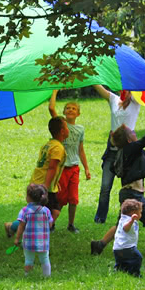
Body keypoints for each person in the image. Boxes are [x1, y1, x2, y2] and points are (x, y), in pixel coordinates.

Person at [91, 121, 145, 256]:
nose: (135, 133)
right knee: (138, 221)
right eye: (132, 132)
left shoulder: (125, 152)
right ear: (129, 139)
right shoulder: (129, 150)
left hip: (133, 193)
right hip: (132, 194)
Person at [93, 85, 141, 223]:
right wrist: (91, 76)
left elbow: (144, 88)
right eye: (123, 88)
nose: (124, 91)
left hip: (127, 152)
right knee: (105, 187)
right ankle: (100, 218)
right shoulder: (114, 99)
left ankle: (127, 217)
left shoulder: (135, 102)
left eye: (127, 88)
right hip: (112, 151)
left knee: (128, 189)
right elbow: (99, 88)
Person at [48, 90, 91, 233]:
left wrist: (86, 168)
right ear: (64, 112)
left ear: (78, 113)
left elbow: (81, 150)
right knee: (59, 198)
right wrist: (55, 91)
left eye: (74, 108)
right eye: (68, 108)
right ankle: (51, 223)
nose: (71, 110)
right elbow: (51, 108)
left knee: (73, 198)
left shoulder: (80, 129)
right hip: (62, 168)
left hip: (74, 168)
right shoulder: (61, 124)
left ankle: (71, 224)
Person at [29, 116, 69, 228]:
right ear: (62, 131)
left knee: (55, 209)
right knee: (39, 215)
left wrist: (55, 183)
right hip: (44, 185)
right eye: (66, 127)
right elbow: (52, 168)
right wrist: (45, 187)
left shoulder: (48, 144)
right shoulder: (58, 148)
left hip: (40, 182)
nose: (68, 129)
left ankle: (46, 227)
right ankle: (14, 227)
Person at [14, 184, 53, 277]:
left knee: (28, 260)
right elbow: (50, 224)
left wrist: (17, 238)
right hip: (43, 241)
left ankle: (27, 275)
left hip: (29, 241)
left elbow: (21, 226)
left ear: (29, 198)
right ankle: (47, 276)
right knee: (45, 259)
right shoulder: (46, 211)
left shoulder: (25, 211)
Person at [113, 199, 144, 277]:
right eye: (140, 212)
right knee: (137, 258)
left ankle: (119, 271)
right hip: (127, 247)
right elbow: (125, 228)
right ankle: (134, 273)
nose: (141, 214)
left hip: (117, 248)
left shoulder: (123, 218)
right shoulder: (128, 220)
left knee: (121, 262)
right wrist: (132, 220)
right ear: (133, 213)